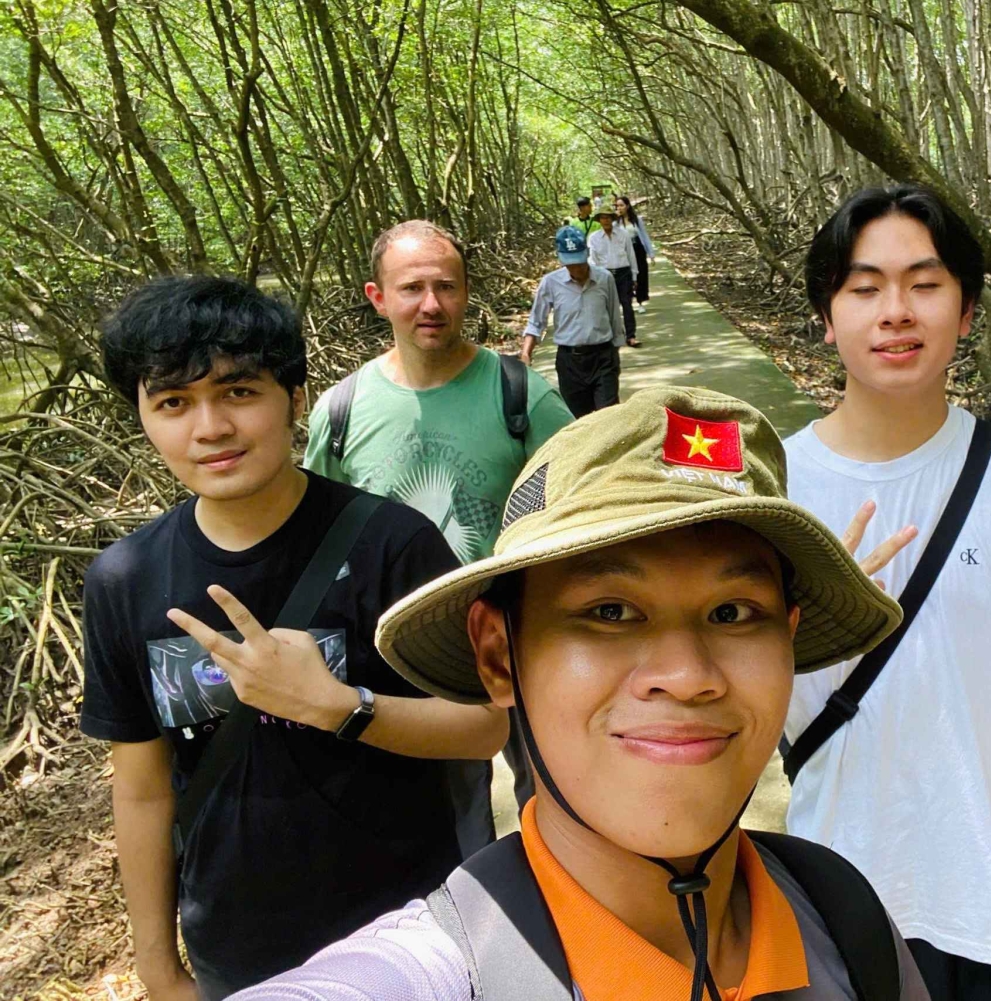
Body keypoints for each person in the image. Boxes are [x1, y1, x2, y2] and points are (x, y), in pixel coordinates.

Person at [230, 387, 934, 1001]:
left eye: (732, 612)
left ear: (789, 640)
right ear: (499, 655)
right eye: (610, 611)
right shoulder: (433, 973)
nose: (687, 674)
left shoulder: (842, 920)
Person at [81, 276, 510, 1000]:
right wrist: (158, 965)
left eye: (239, 391)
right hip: (237, 948)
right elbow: (144, 790)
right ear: (144, 419)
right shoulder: (125, 579)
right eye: (174, 403)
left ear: (296, 399)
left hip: (411, 934)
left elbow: (486, 727)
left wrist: (340, 706)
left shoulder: (391, 543)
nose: (210, 427)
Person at [781, 185, 991, 1001]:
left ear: (966, 312)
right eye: (864, 288)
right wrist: (814, 623)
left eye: (924, 284)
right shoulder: (774, 492)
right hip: (839, 885)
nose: (896, 311)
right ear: (827, 316)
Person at [303, 218, 574, 833]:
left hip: (515, 634)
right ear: (378, 298)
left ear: (466, 292)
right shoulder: (341, 411)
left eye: (446, 287)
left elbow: (578, 505)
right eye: (412, 289)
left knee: (554, 798)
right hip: (401, 651)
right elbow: (319, 535)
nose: (432, 305)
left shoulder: (520, 395)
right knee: (445, 820)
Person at [521, 225, 626, 417]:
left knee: (609, 417)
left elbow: (614, 318)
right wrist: (526, 354)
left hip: (603, 357)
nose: (576, 269)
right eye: (570, 264)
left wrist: (615, 353)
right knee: (578, 421)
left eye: (579, 262)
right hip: (570, 362)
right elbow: (536, 322)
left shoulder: (605, 279)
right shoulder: (550, 283)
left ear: (586, 254)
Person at [587, 206, 641, 348]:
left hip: (623, 272)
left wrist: (634, 276)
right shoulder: (594, 238)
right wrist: (595, 277)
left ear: (612, 219)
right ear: (599, 220)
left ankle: (631, 336)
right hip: (604, 274)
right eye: (602, 218)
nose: (605, 220)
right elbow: (593, 259)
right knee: (607, 307)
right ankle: (612, 336)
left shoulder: (623, 234)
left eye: (608, 217)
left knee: (627, 304)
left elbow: (631, 255)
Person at [615, 194, 655, 310]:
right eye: (617, 206)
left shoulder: (636, 220)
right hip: (624, 251)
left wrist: (651, 254)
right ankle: (628, 301)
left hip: (638, 249)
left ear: (627, 206)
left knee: (641, 275)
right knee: (627, 275)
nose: (619, 208)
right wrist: (614, 218)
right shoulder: (616, 222)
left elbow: (644, 236)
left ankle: (640, 301)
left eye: (621, 205)